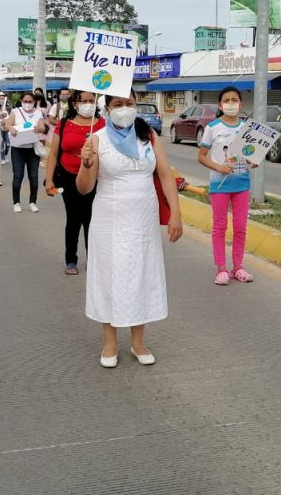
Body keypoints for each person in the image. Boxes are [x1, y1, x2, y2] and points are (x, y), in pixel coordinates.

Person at [77, 91, 183, 368]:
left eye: (129, 104)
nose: (124, 109)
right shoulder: (96, 139)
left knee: (140, 275)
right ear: (107, 109)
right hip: (109, 221)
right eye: (118, 104)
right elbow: (85, 188)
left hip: (143, 221)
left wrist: (176, 213)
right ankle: (110, 343)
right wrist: (86, 162)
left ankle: (138, 343)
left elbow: (165, 175)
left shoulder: (148, 135)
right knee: (109, 276)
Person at [197, 86, 258, 286]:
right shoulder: (212, 128)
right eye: (227, 100)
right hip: (219, 185)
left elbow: (250, 155)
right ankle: (221, 268)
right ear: (220, 105)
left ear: (241, 104)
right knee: (220, 227)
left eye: (234, 100)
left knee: (240, 227)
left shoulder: (247, 128)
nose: (231, 104)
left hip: (242, 185)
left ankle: (238, 267)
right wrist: (218, 167)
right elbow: (201, 157)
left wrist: (253, 161)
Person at [45, 90, 106, 275]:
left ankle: (93, 259)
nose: (88, 104)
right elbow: (53, 154)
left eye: (91, 101)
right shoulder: (64, 124)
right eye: (83, 101)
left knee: (91, 219)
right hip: (68, 177)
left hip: (95, 178)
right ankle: (71, 259)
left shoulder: (103, 125)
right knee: (73, 218)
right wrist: (49, 179)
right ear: (75, 104)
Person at [5, 92, 48, 212]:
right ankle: (16, 203)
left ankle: (33, 202)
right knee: (18, 176)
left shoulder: (38, 113)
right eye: (25, 101)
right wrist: (11, 128)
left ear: (34, 102)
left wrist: (39, 128)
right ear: (21, 101)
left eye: (30, 101)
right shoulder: (16, 111)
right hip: (18, 148)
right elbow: (7, 124)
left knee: (33, 176)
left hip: (32, 148)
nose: (27, 104)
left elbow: (42, 127)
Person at [0, 90, 11, 165]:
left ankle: (5, 154)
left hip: (6, 128)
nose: (2, 100)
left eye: (3, 98)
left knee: (8, 144)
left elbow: (10, 116)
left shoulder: (8, 107)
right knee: (1, 143)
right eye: (0, 98)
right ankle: (2, 158)